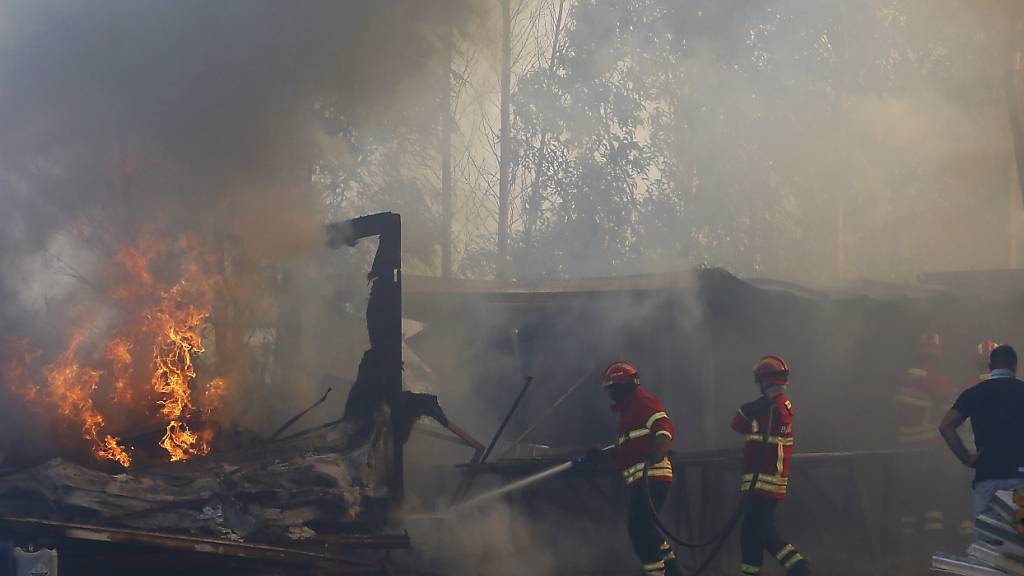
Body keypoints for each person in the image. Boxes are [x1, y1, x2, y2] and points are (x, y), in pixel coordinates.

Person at [731, 355, 811, 576]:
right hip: (765, 481)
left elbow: (737, 425)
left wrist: (747, 410)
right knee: (749, 534)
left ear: (764, 381)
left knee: (763, 531)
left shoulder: (770, 409)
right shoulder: (780, 406)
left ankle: (799, 568)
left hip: (763, 482)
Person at [602, 360, 682, 576]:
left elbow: (664, 428)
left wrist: (660, 450)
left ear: (622, 384)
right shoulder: (628, 411)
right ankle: (674, 572)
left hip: (652, 478)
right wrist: (603, 456)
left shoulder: (642, 401)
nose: (610, 394)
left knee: (638, 531)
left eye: (612, 388)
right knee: (647, 530)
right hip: (642, 481)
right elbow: (629, 448)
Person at [940, 344, 1024, 522]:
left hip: (987, 476)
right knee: (1020, 538)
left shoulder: (973, 394)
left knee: (987, 541)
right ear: (1015, 366)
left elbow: (946, 426)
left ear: (990, 367)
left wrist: (966, 457)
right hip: (1021, 478)